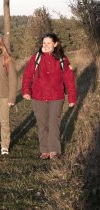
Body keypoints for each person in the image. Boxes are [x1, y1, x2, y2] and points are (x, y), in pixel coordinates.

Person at [22, 32, 77, 160]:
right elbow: (27, 75)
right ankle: (44, 150)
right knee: (42, 124)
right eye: (44, 43)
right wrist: (26, 91)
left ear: (55, 44)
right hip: (38, 96)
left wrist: (72, 98)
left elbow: (69, 79)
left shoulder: (62, 59)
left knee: (53, 123)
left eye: (49, 43)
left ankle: (54, 150)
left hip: (56, 97)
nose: (46, 45)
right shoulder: (36, 58)